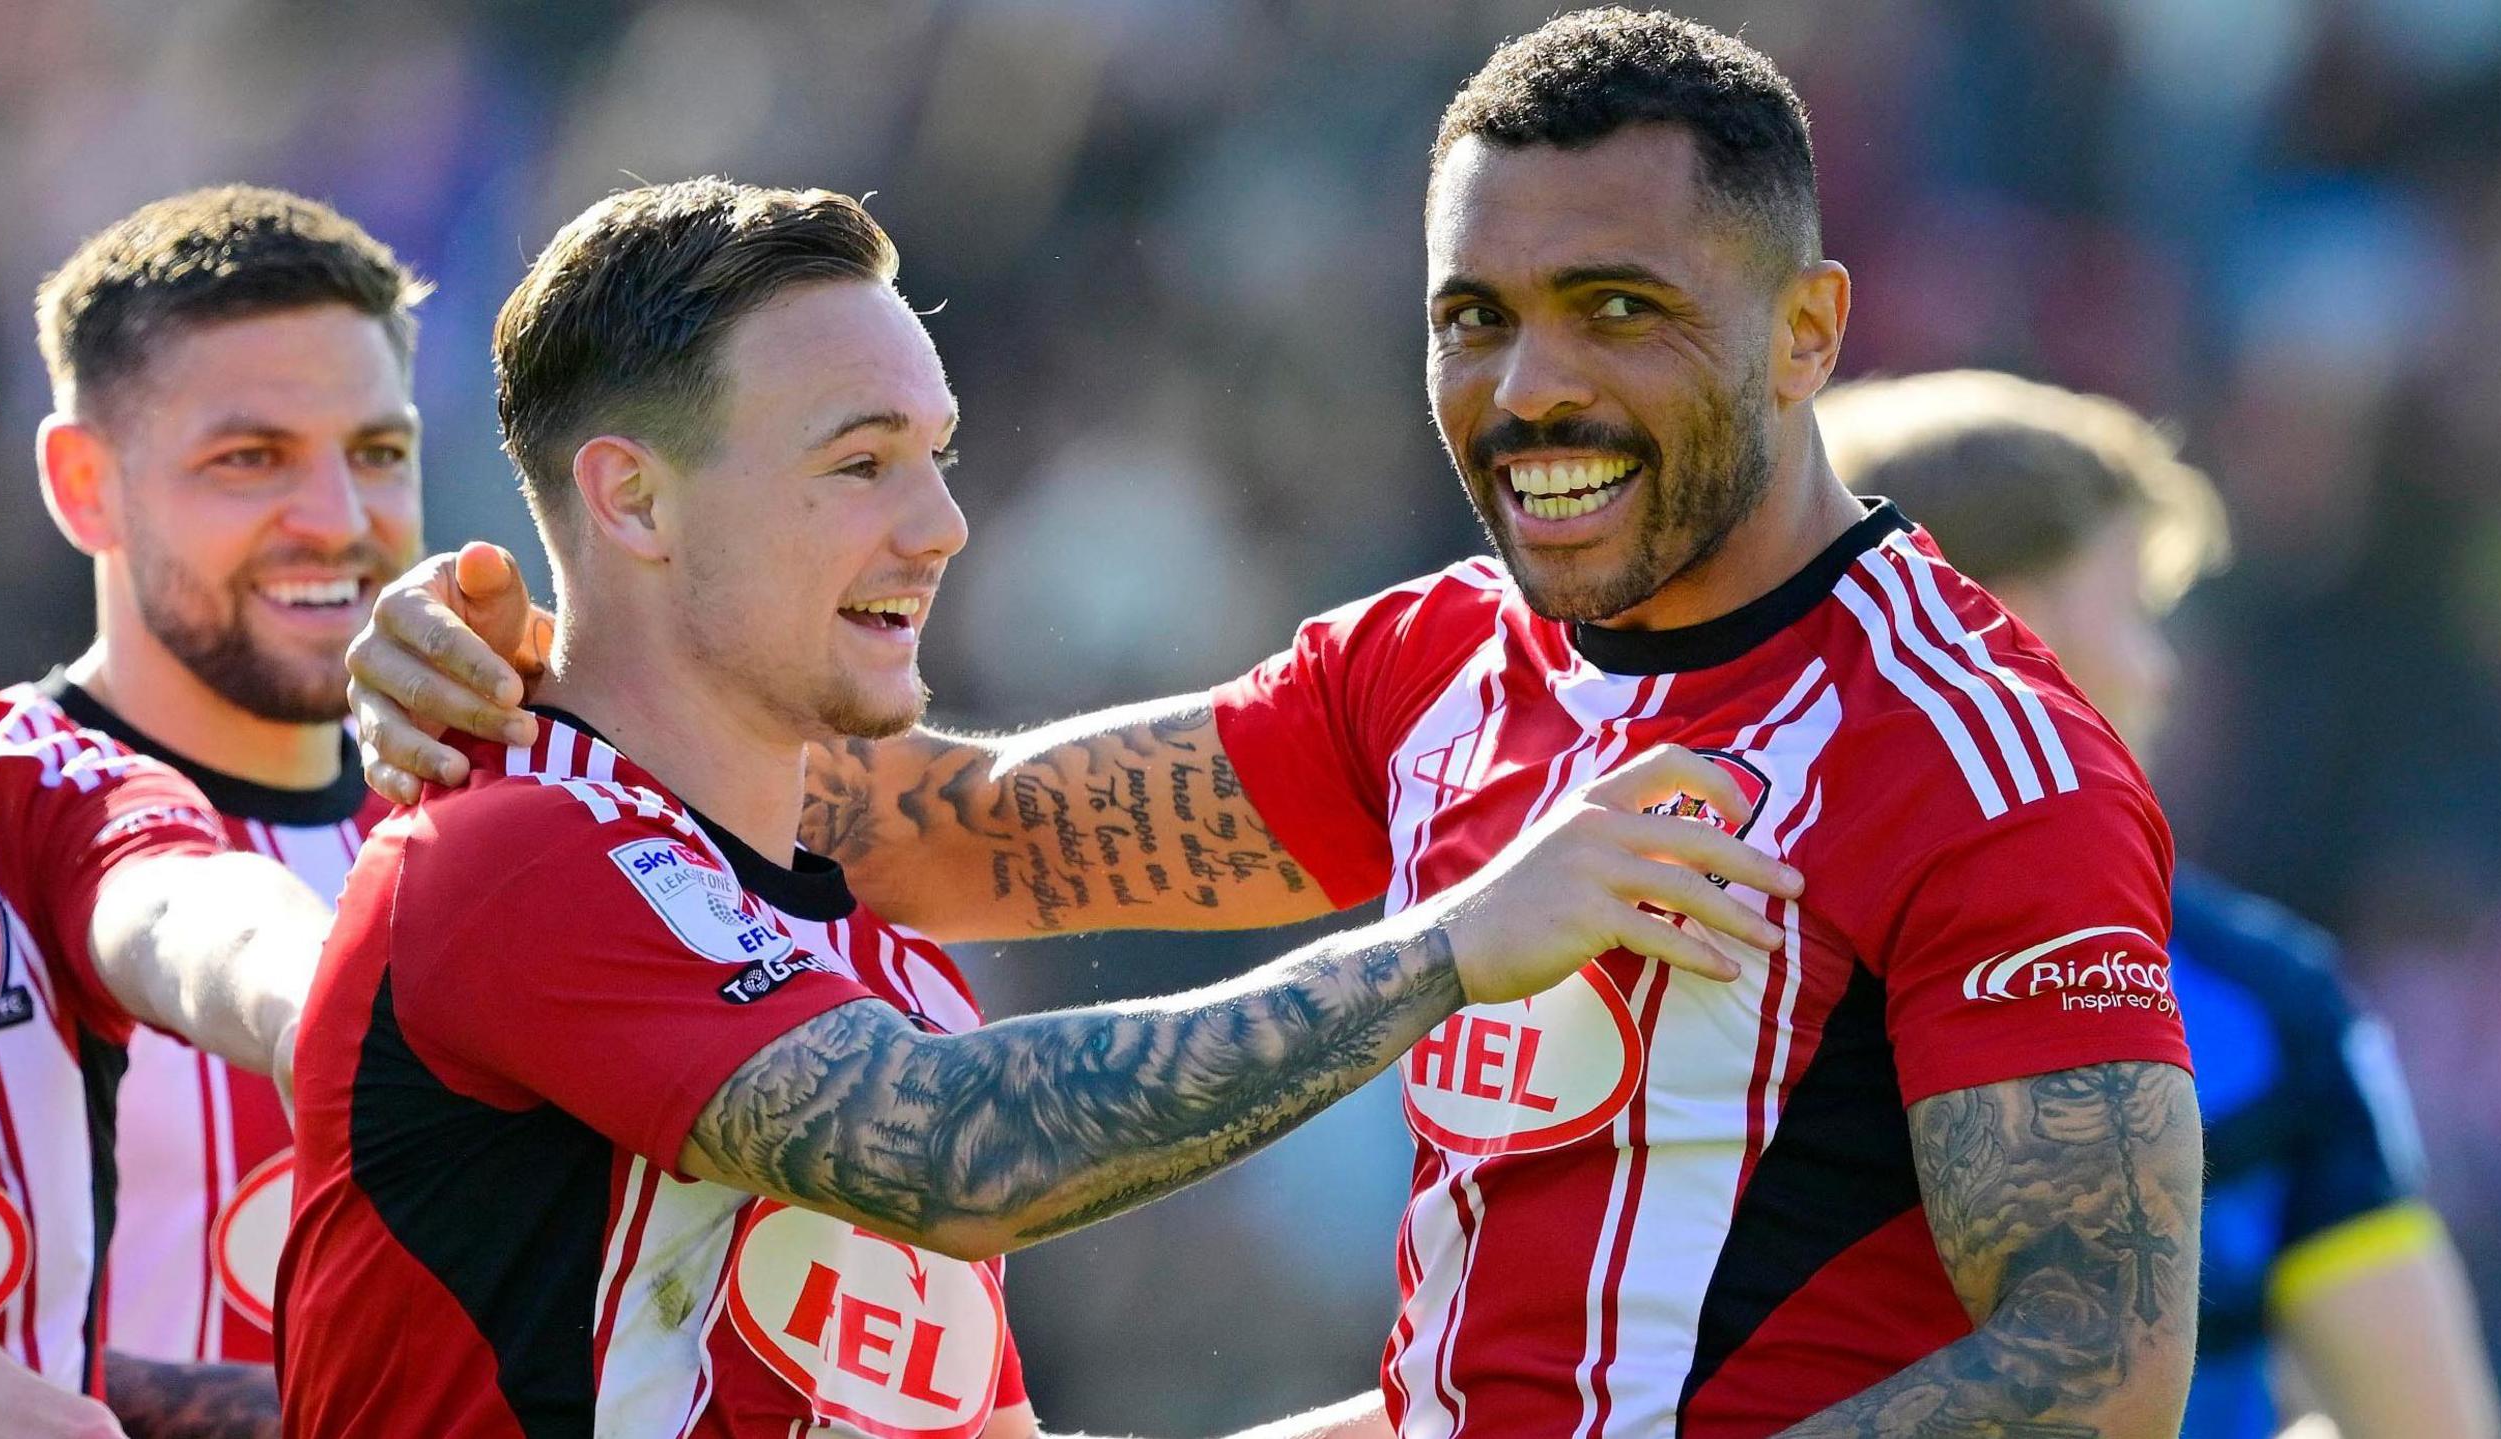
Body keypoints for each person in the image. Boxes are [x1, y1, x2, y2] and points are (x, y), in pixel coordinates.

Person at [353, 12, 2202, 1437]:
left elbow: (2094, 1359)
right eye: (1472, 316)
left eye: (1619, 310)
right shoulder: (1440, 669)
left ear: (1806, 332)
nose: (1532, 384)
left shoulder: (1978, 762)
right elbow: (949, 823)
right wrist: (529, 679)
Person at [277, 177, 1787, 1439]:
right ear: (633, 501)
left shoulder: (870, 935)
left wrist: (1478, 1409)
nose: (939, 527)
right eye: (860, 462)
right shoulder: (516, 853)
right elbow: (957, 1153)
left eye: (933, 456)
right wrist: (1451, 945)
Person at [1815, 368, 2501, 1439]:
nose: (2162, 670)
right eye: (2135, 607)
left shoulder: (2273, 1004)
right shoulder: (2253, 1005)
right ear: (2007, 629)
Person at [26, 184, 418, 1428]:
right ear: (86, 484)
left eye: (378, 453)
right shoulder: (12, 821)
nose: (339, 521)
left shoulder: (508, 819)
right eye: (249, 458)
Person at [0, 366, 332, 1439]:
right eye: (248, 457)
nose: (331, 517)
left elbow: (179, 902)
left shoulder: (37, 781)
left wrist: (324, 990)